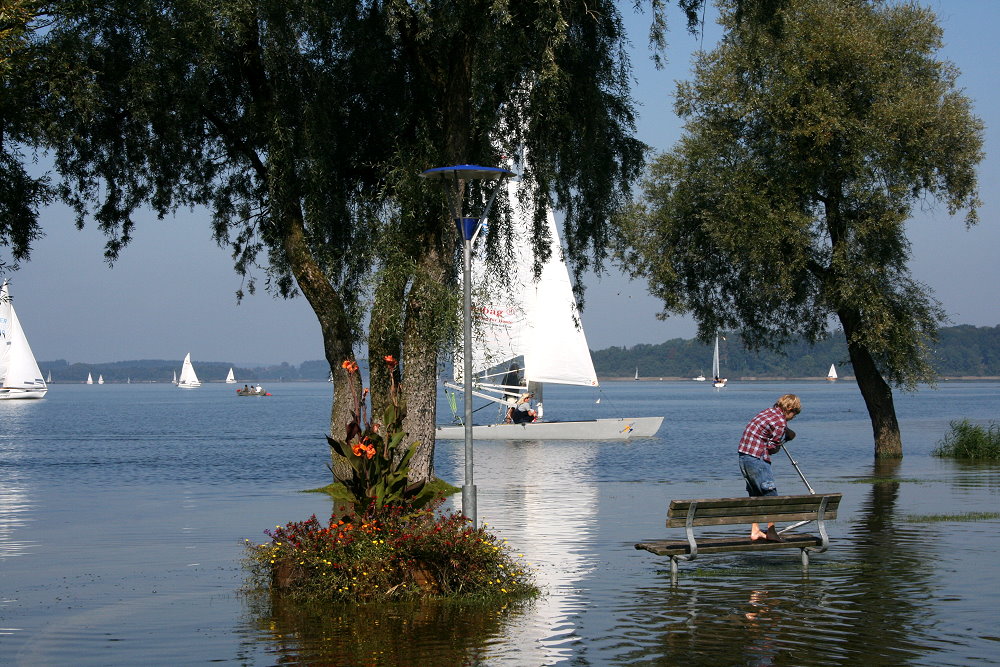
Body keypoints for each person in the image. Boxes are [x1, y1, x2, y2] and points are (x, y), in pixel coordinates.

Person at [738, 394, 800, 542]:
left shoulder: (767, 412)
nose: (793, 417)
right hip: (757, 458)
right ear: (789, 409)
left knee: (755, 494)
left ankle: (755, 530)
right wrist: (786, 437)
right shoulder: (780, 422)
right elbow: (772, 449)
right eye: (794, 414)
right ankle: (771, 532)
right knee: (770, 494)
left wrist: (784, 432)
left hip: (744, 456)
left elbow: (768, 432)